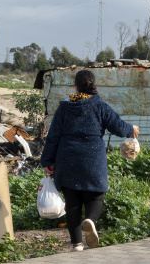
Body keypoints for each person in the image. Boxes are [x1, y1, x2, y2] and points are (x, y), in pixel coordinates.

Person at [40, 70, 140, 252]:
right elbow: (118, 126)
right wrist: (131, 129)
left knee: (72, 203)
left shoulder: (64, 108)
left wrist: (47, 161)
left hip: (67, 159)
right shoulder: (100, 106)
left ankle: (76, 244)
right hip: (93, 159)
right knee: (96, 196)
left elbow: (53, 136)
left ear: (76, 87)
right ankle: (90, 220)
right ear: (93, 85)